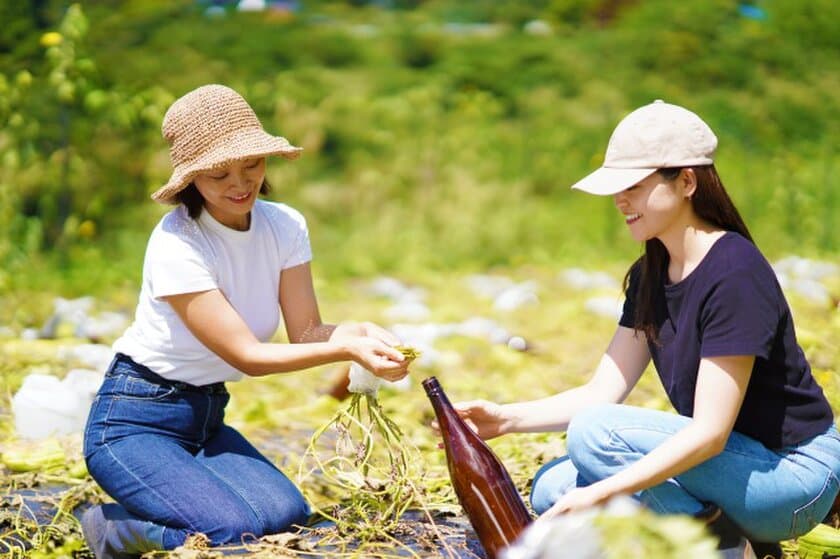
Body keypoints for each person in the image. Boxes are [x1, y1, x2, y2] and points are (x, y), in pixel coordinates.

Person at [448, 100, 840, 553]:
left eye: (633, 185)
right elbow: (600, 394)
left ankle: (720, 546)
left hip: (791, 477)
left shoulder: (734, 272)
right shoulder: (651, 273)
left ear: (687, 181)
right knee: (551, 487)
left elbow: (710, 433)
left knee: (593, 438)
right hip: (735, 463)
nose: (620, 201)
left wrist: (600, 492)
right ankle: (720, 535)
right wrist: (507, 417)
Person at [81, 84, 410, 558]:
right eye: (219, 174)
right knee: (234, 532)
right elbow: (248, 357)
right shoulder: (178, 242)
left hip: (207, 420)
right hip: (134, 423)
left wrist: (361, 333)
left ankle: (183, 495)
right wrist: (346, 349)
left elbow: (307, 332)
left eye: (252, 165)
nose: (240, 184)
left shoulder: (285, 226)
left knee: (287, 517)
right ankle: (115, 530)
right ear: (191, 179)